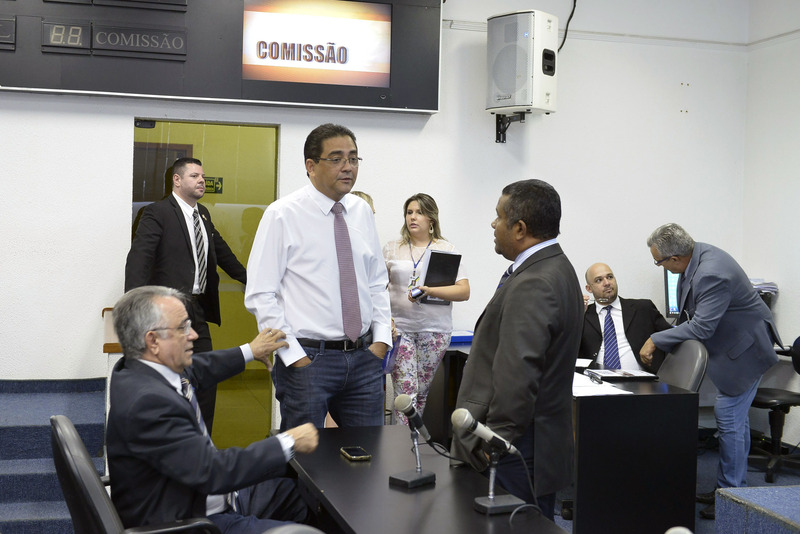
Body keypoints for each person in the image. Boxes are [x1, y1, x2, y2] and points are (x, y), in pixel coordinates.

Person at [107, 286, 319, 533]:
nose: (194, 335)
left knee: (305, 499)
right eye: (182, 328)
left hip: (212, 499)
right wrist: (288, 441)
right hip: (192, 521)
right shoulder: (149, 403)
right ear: (153, 341)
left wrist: (251, 351)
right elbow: (213, 472)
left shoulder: (140, 370)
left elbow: (200, 368)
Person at [451, 179, 583, 522]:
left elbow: (518, 375)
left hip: (515, 448)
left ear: (520, 228)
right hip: (533, 442)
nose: (493, 224)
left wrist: (494, 442)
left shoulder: (535, 282)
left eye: (498, 217)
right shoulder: (555, 266)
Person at [245, 123, 392, 430]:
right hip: (309, 359)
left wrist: (380, 342)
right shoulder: (282, 214)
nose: (348, 167)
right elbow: (261, 293)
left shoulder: (361, 211)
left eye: (353, 158)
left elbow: (376, 282)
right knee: (306, 455)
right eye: (336, 159)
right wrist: (294, 356)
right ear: (311, 166)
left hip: (364, 359)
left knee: (367, 453)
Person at [641, 223, 780, 520]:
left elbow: (702, 327)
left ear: (675, 258)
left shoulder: (711, 272)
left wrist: (656, 339)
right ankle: (729, 489)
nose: (660, 267)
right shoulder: (695, 256)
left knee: (729, 418)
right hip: (735, 344)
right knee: (736, 422)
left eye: (659, 262)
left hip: (746, 351)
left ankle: (731, 497)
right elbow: (688, 315)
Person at [125, 157, 247, 433]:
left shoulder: (202, 214)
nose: (201, 180)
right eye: (194, 176)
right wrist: (134, 308)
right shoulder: (156, 213)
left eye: (202, 176)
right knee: (168, 381)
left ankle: (202, 442)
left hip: (197, 311)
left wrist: (253, 281)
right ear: (177, 180)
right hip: (166, 313)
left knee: (205, 378)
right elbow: (139, 260)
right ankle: (166, 442)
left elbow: (223, 254)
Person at [382, 193, 469, 423]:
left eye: (419, 212)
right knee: (406, 393)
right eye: (409, 212)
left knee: (421, 393)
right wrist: (386, 320)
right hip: (401, 330)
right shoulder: (392, 249)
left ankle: (411, 440)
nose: (413, 217)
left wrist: (430, 290)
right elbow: (378, 289)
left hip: (435, 331)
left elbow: (463, 291)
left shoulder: (446, 249)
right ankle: (402, 441)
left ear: (431, 218)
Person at [580, 262, 672, 371]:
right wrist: (575, 315)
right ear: (589, 288)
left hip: (642, 378)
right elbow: (568, 349)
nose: (607, 283)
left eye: (610, 277)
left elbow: (671, 334)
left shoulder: (643, 308)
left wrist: (653, 341)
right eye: (599, 280)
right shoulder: (583, 315)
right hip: (595, 378)